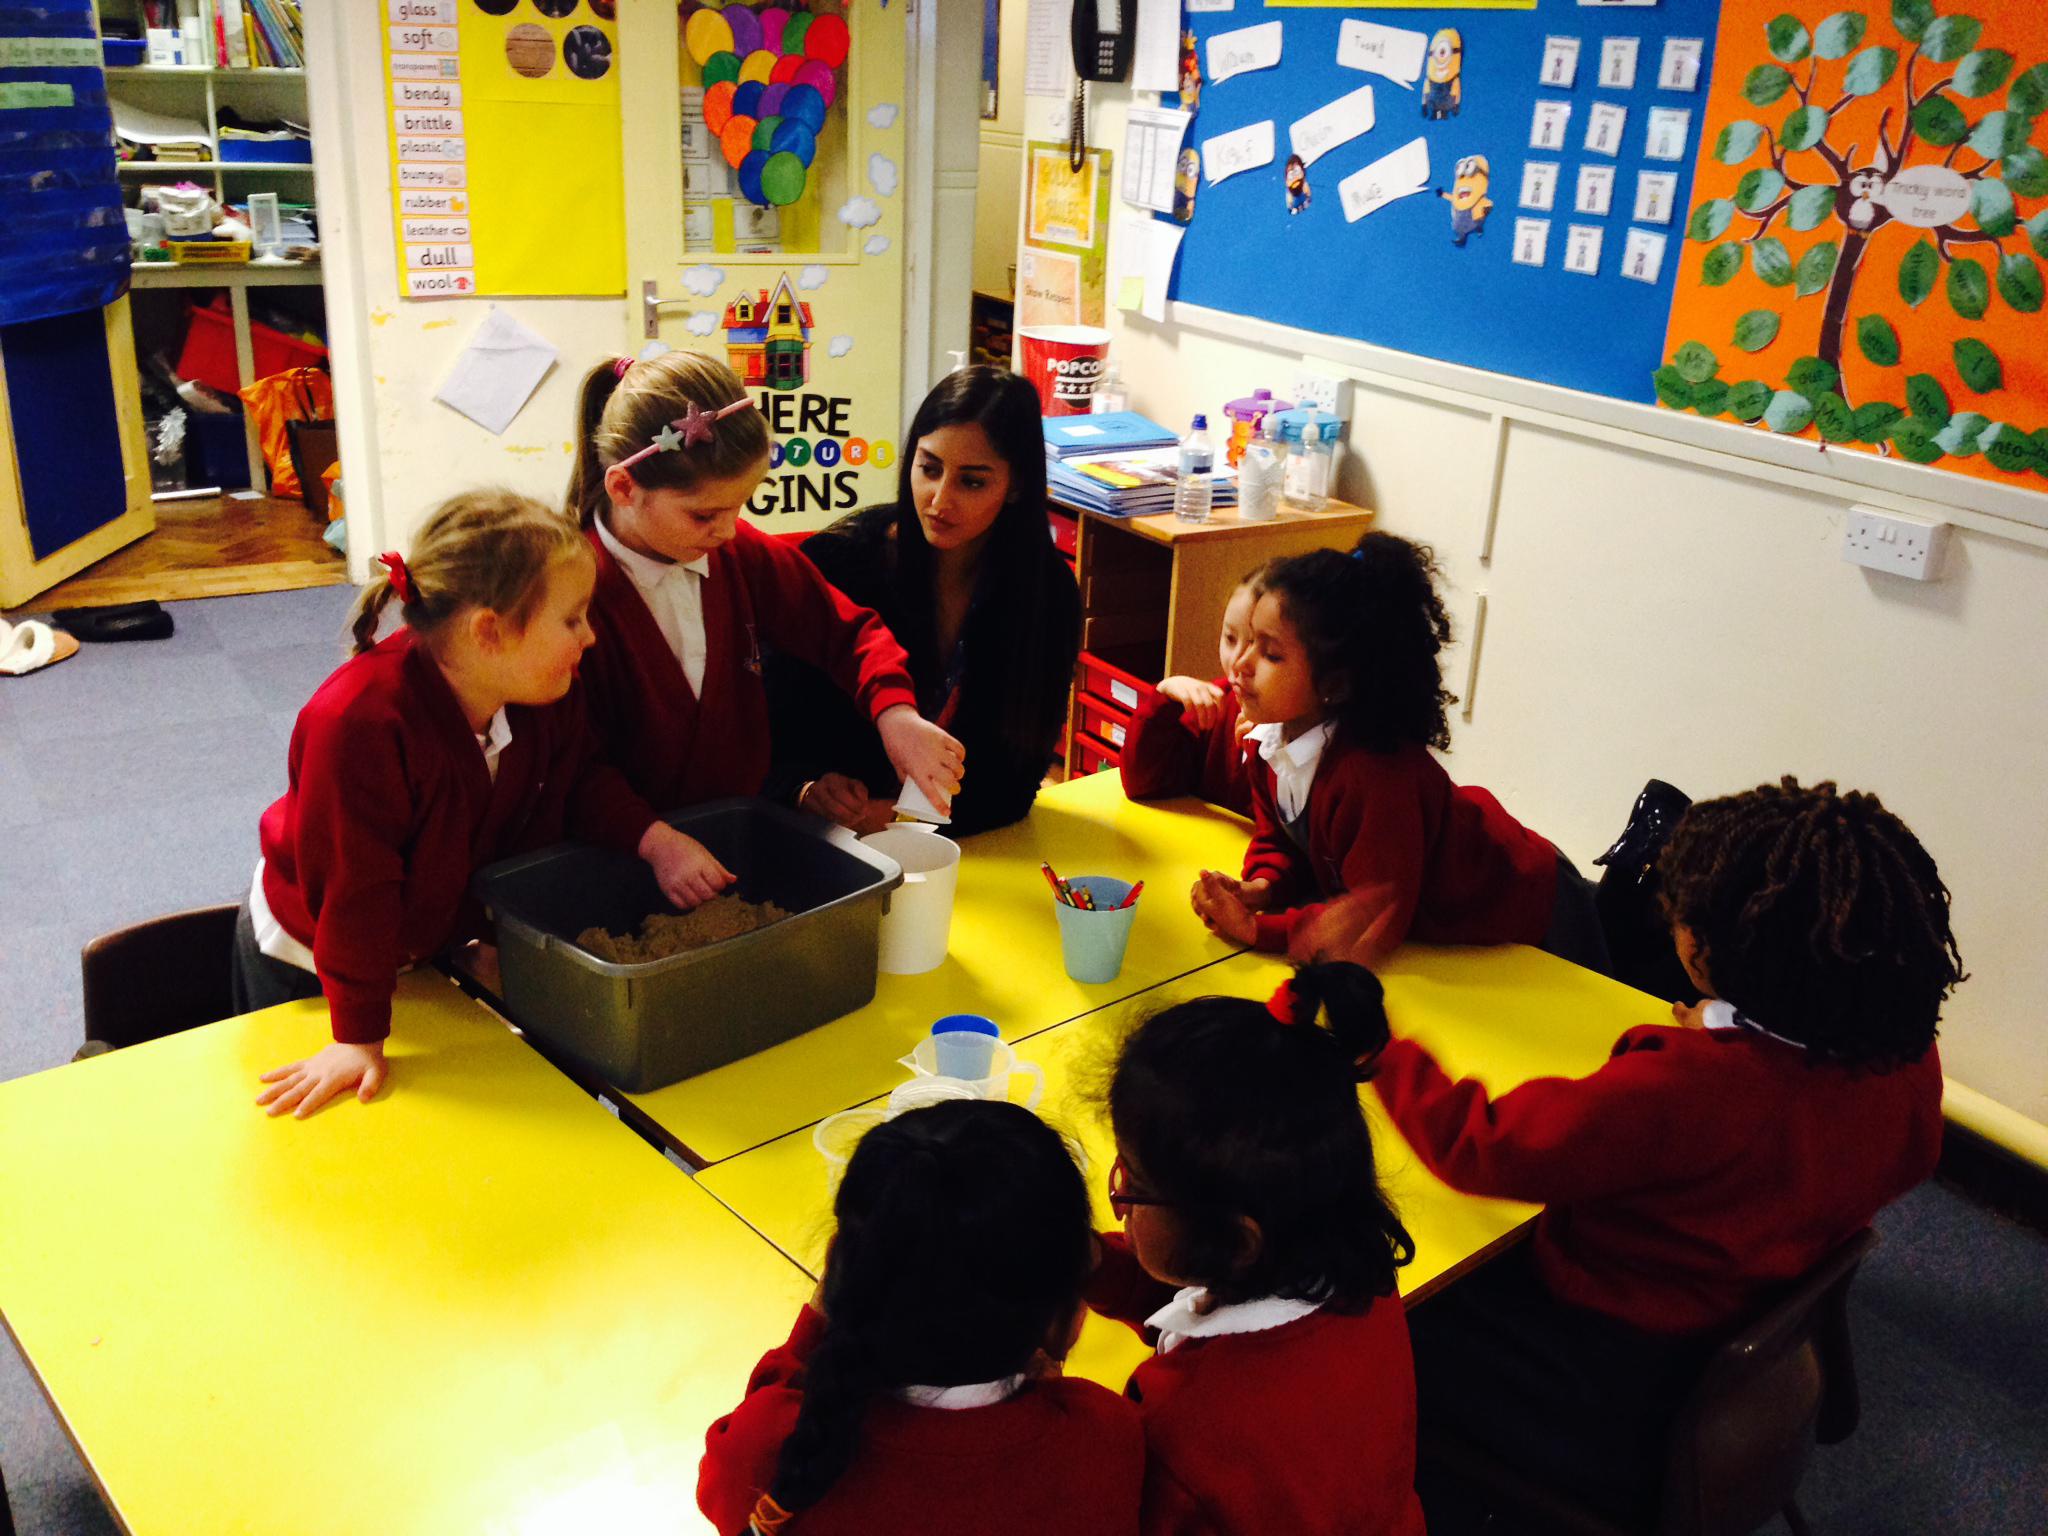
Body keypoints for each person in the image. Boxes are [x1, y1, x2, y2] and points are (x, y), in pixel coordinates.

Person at [1375, 778, 1958, 1527]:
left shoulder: (1686, 1091)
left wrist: (1381, 1052)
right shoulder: (1905, 1059)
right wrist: (1724, 1034)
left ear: (1709, 949)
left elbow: (1485, 1147)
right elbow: (1899, 1151)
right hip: (1735, 1327)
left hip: (1603, 1370)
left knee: (1385, 1311)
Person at [243, 490, 677, 1117]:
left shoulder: (542, 692)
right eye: (572, 620)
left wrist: (653, 839)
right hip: (314, 957)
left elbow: (570, 790)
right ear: (489, 631)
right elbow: (353, 890)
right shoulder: (358, 723)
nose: (590, 636)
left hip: (423, 938)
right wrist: (358, 1036)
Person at [569, 351, 962, 902]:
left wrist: (895, 713)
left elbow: (845, 632)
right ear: (623, 489)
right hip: (621, 860)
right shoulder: (572, 596)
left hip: (737, 844)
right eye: (704, 515)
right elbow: (571, 767)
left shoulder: (737, 554)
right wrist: (652, 839)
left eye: (741, 506)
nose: (729, 530)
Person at [699, 1100, 1143, 1536]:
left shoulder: (767, 1454)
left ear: (840, 1277)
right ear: (1065, 1320)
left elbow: (726, 1480)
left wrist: (813, 1332)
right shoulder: (1105, 1437)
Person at [1088, 961, 1424, 1536]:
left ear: (1238, 1240)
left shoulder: (1182, 1428)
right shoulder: (1357, 1268)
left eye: (1133, 1185)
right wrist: (1095, 1266)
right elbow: (1199, 1291)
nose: (1119, 1203)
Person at [1188, 531, 1608, 971]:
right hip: (1450, 925)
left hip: (1537, 906)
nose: (1241, 664)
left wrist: (1259, 930)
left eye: (1271, 654)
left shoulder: (1375, 779)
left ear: (1335, 685)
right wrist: (1261, 887)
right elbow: (1284, 844)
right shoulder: (1268, 743)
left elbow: (1374, 919)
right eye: (1246, 640)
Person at [766, 366, 1080, 836]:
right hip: (823, 840)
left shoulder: (1046, 593)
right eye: (929, 469)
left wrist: (898, 818)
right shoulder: (841, 563)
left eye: (972, 482)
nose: (939, 499)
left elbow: (1016, 780)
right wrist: (805, 788)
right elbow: (769, 731)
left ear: (1015, 485)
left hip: (965, 841)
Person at [1119, 565, 1266, 816]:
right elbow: (1143, 784)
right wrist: (1165, 700)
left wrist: (1274, 753)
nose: (1237, 661)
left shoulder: (1309, 738)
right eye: (1230, 638)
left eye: (1260, 647)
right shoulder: (1215, 704)